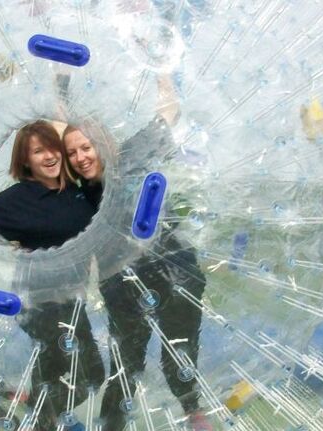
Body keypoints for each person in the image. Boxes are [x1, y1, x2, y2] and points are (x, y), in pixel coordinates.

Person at [0, 120, 104, 431]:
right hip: (40, 299)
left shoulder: (77, 192)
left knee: (91, 375)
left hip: (71, 299)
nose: (49, 156)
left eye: (52, 148)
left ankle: (9, 397)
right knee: (62, 377)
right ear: (26, 161)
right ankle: (31, 414)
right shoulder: (20, 198)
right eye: (38, 151)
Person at [62, 86, 211, 431]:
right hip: (122, 287)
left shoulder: (134, 154)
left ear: (103, 143)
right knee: (124, 364)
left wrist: (161, 64)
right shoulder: (77, 197)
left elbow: (169, 111)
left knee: (181, 349)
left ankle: (194, 413)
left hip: (175, 272)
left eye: (86, 147)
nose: (81, 157)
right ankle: (112, 425)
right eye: (73, 153)